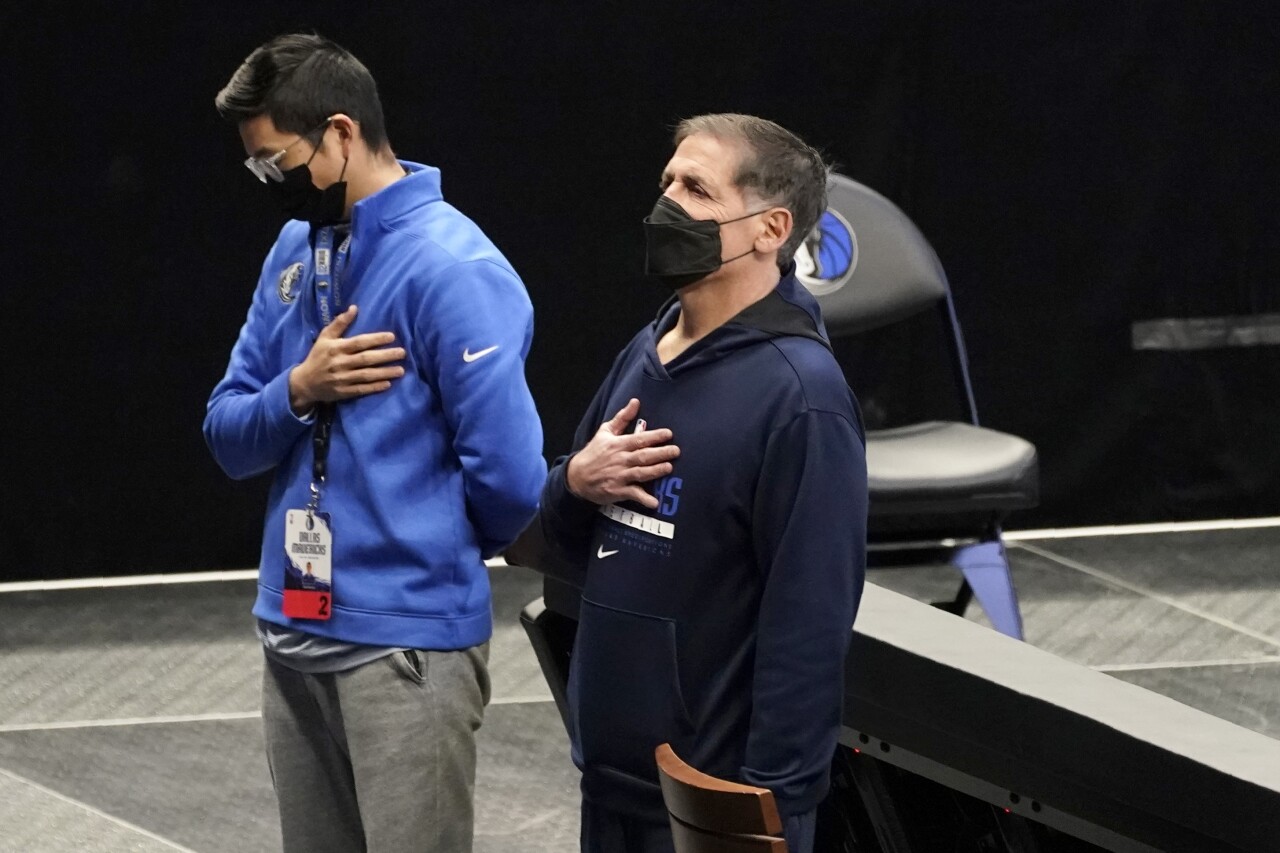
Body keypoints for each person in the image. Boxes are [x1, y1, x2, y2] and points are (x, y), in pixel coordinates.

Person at [204, 33, 545, 853]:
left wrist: (424, 556)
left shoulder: (453, 266)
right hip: (291, 626)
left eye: (275, 161)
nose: (269, 183)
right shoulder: (294, 252)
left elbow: (510, 478)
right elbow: (227, 432)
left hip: (403, 644)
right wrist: (299, 389)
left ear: (342, 133)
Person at [528, 114, 867, 853]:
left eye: (696, 189)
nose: (667, 205)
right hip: (611, 780)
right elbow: (552, 536)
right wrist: (573, 483)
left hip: (716, 809)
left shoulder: (801, 398)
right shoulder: (647, 350)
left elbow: (808, 625)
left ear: (769, 228)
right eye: (667, 183)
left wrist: (765, 809)